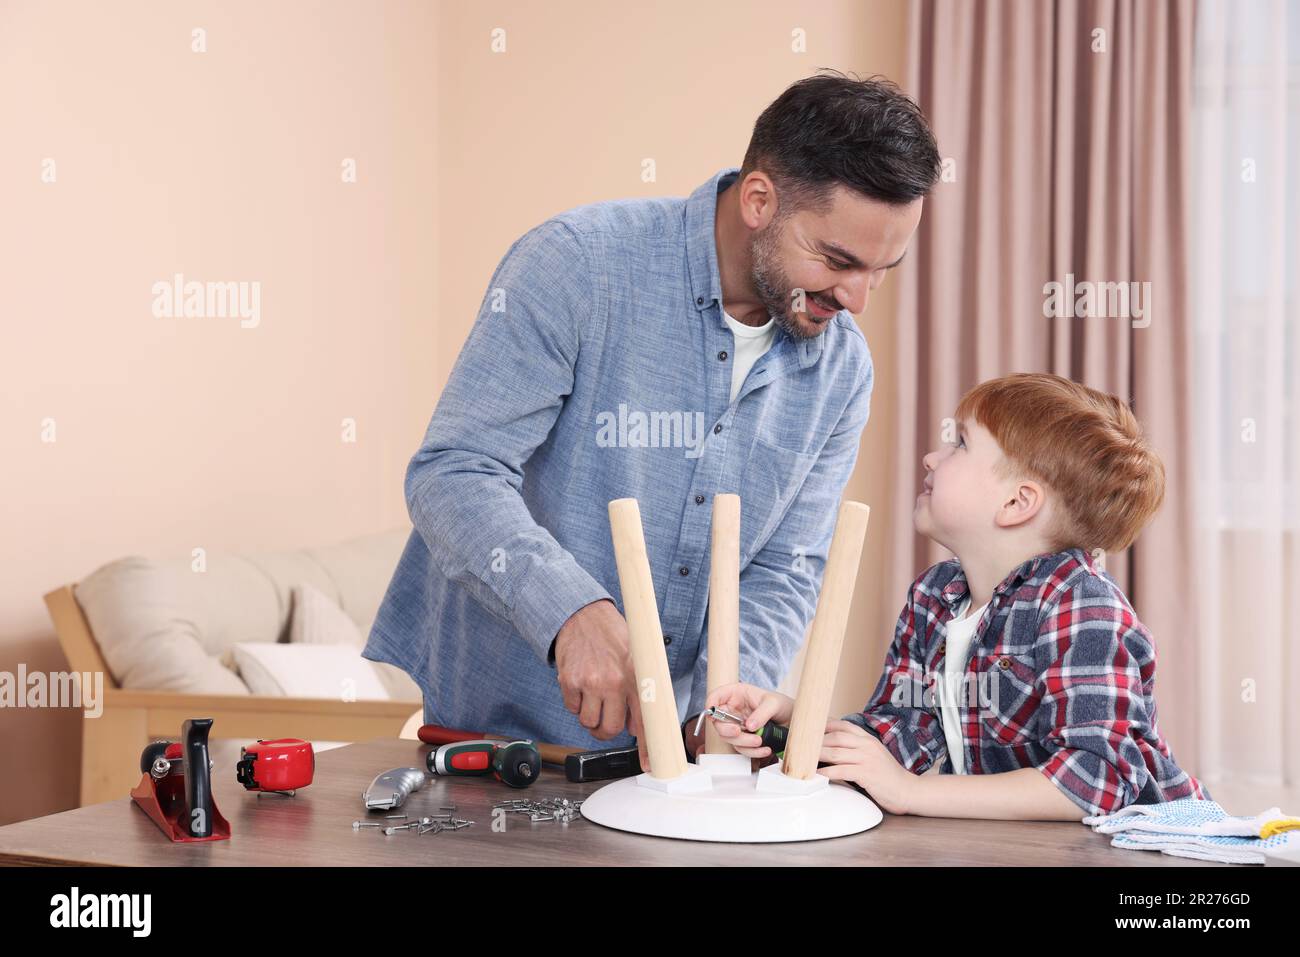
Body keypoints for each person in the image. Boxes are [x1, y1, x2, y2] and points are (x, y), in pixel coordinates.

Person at [364, 71, 941, 768]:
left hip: (673, 767)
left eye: (882, 270)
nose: (857, 298)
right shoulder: (578, 265)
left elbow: (786, 567)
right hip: (497, 739)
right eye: (838, 260)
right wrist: (570, 612)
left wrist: (727, 703)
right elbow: (453, 473)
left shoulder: (843, 370)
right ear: (760, 200)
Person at [707, 373, 1211, 820]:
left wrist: (910, 792)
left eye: (961, 444)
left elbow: (1095, 780)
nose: (932, 456)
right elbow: (901, 734)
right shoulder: (933, 595)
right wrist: (798, 718)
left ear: (1017, 502)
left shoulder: (1082, 608)